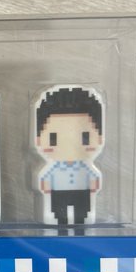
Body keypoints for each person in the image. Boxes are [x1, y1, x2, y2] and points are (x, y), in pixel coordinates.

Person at [35, 85, 104, 225]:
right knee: (58, 215)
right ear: (38, 140)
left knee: (82, 214)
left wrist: (94, 183)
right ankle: (61, 226)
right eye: (53, 138)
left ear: (100, 138)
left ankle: (79, 226)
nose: (68, 144)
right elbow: (45, 177)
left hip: (82, 192)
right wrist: (45, 185)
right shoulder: (54, 166)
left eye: (85, 137)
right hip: (58, 192)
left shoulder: (85, 166)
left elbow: (94, 176)